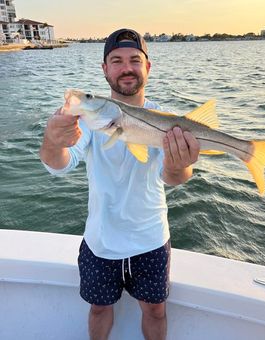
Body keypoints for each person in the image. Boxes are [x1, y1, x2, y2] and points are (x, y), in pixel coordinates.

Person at [40, 28, 200, 340]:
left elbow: (173, 178)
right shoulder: (91, 121)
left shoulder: (164, 121)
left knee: (155, 310)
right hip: (100, 243)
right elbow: (59, 164)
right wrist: (51, 141)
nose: (126, 67)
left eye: (134, 60)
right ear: (105, 69)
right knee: (99, 309)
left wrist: (179, 165)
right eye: (116, 60)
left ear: (147, 67)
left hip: (151, 240)